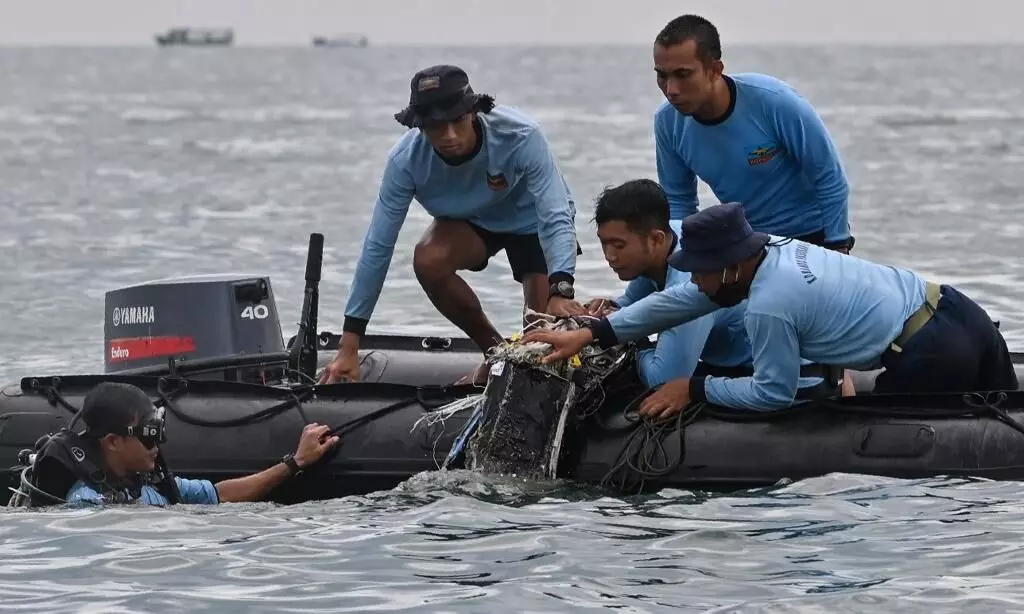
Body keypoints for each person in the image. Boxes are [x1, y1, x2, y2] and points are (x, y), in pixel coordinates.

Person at [524, 203, 1018, 418]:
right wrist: (593, 334)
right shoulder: (772, 251)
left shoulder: (769, 307)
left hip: (930, 353)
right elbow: (682, 301)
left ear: (730, 266)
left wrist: (693, 387)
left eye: (699, 269)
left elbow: (774, 394)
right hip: (961, 311)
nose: (693, 278)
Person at [319, 64, 585, 387]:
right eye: (434, 126)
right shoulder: (404, 162)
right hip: (472, 222)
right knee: (427, 259)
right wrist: (349, 346)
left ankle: (526, 351)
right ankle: (496, 354)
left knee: (538, 334)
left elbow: (555, 215)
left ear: (473, 112)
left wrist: (561, 288)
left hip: (533, 220)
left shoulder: (521, 136)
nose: (448, 136)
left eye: (456, 121)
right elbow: (377, 246)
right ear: (418, 126)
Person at [652, 14, 852, 251]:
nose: (671, 89)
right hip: (751, 244)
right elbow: (678, 201)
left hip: (815, 236)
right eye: (662, 75)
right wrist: (682, 262)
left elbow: (829, 176)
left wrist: (839, 247)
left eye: (683, 75)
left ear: (715, 70)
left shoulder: (775, 101)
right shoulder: (667, 122)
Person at [24, 382, 339, 506]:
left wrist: (294, 462)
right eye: (148, 433)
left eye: (158, 429)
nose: (157, 444)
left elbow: (219, 494)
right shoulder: (85, 502)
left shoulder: (148, 484)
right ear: (113, 442)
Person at [583, 178, 749, 387]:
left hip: (753, 371)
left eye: (618, 245)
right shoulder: (671, 235)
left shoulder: (692, 279)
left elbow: (663, 380)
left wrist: (634, 341)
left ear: (656, 239)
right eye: (603, 243)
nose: (610, 256)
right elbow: (631, 303)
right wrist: (606, 308)